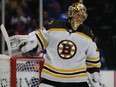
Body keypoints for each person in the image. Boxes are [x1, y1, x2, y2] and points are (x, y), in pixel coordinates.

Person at [10, 2, 106, 87]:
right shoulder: (54, 27)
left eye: (81, 15)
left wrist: (95, 75)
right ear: (71, 14)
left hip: (77, 81)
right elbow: (38, 39)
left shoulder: (87, 34)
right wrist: (30, 41)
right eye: (77, 14)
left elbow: (93, 61)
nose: (79, 17)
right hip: (51, 79)